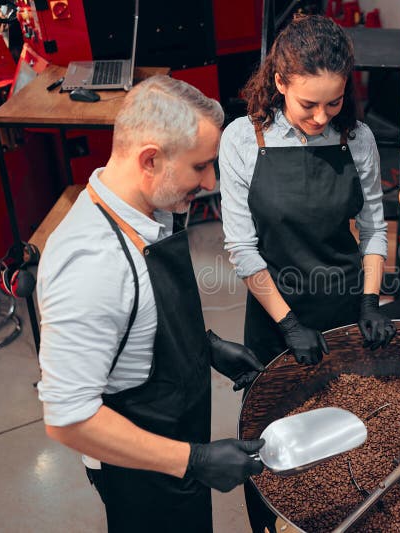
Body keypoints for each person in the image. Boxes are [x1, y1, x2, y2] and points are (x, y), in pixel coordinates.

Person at [36, 76, 265, 533]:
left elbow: (137, 320)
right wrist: (194, 459)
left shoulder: (149, 209)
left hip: (176, 443)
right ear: (150, 159)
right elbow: (67, 418)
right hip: (140, 474)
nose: (210, 181)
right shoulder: (92, 264)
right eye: (200, 167)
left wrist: (204, 347)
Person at [220, 14, 397, 371]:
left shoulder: (358, 138)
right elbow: (242, 248)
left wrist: (370, 303)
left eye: (333, 103)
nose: (321, 118)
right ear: (280, 82)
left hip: (345, 303)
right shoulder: (242, 139)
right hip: (276, 307)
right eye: (308, 105)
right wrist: (289, 325)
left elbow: (374, 229)